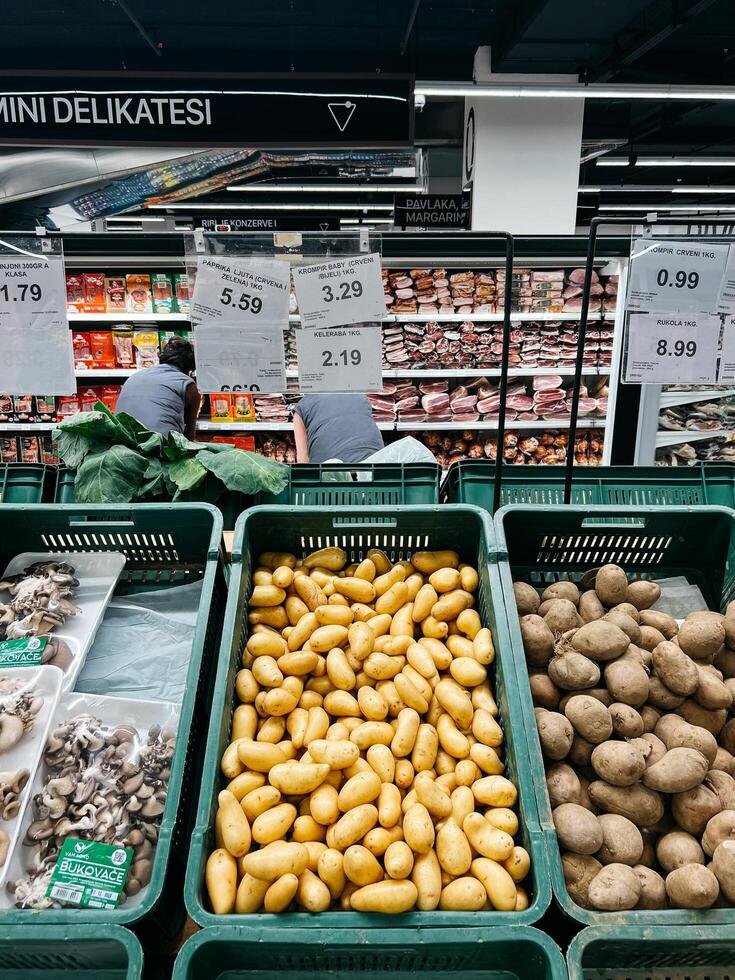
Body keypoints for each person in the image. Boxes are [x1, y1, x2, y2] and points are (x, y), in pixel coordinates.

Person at [115, 337, 200, 439]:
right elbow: (190, 436)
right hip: (159, 448)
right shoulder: (188, 385)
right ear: (190, 370)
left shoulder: (135, 376)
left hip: (121, 445)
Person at [294, 394, 383, 463]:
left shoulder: (302, 406)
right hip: (374, 463)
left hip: (329, 472)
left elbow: (302, 460)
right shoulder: (361, 396)